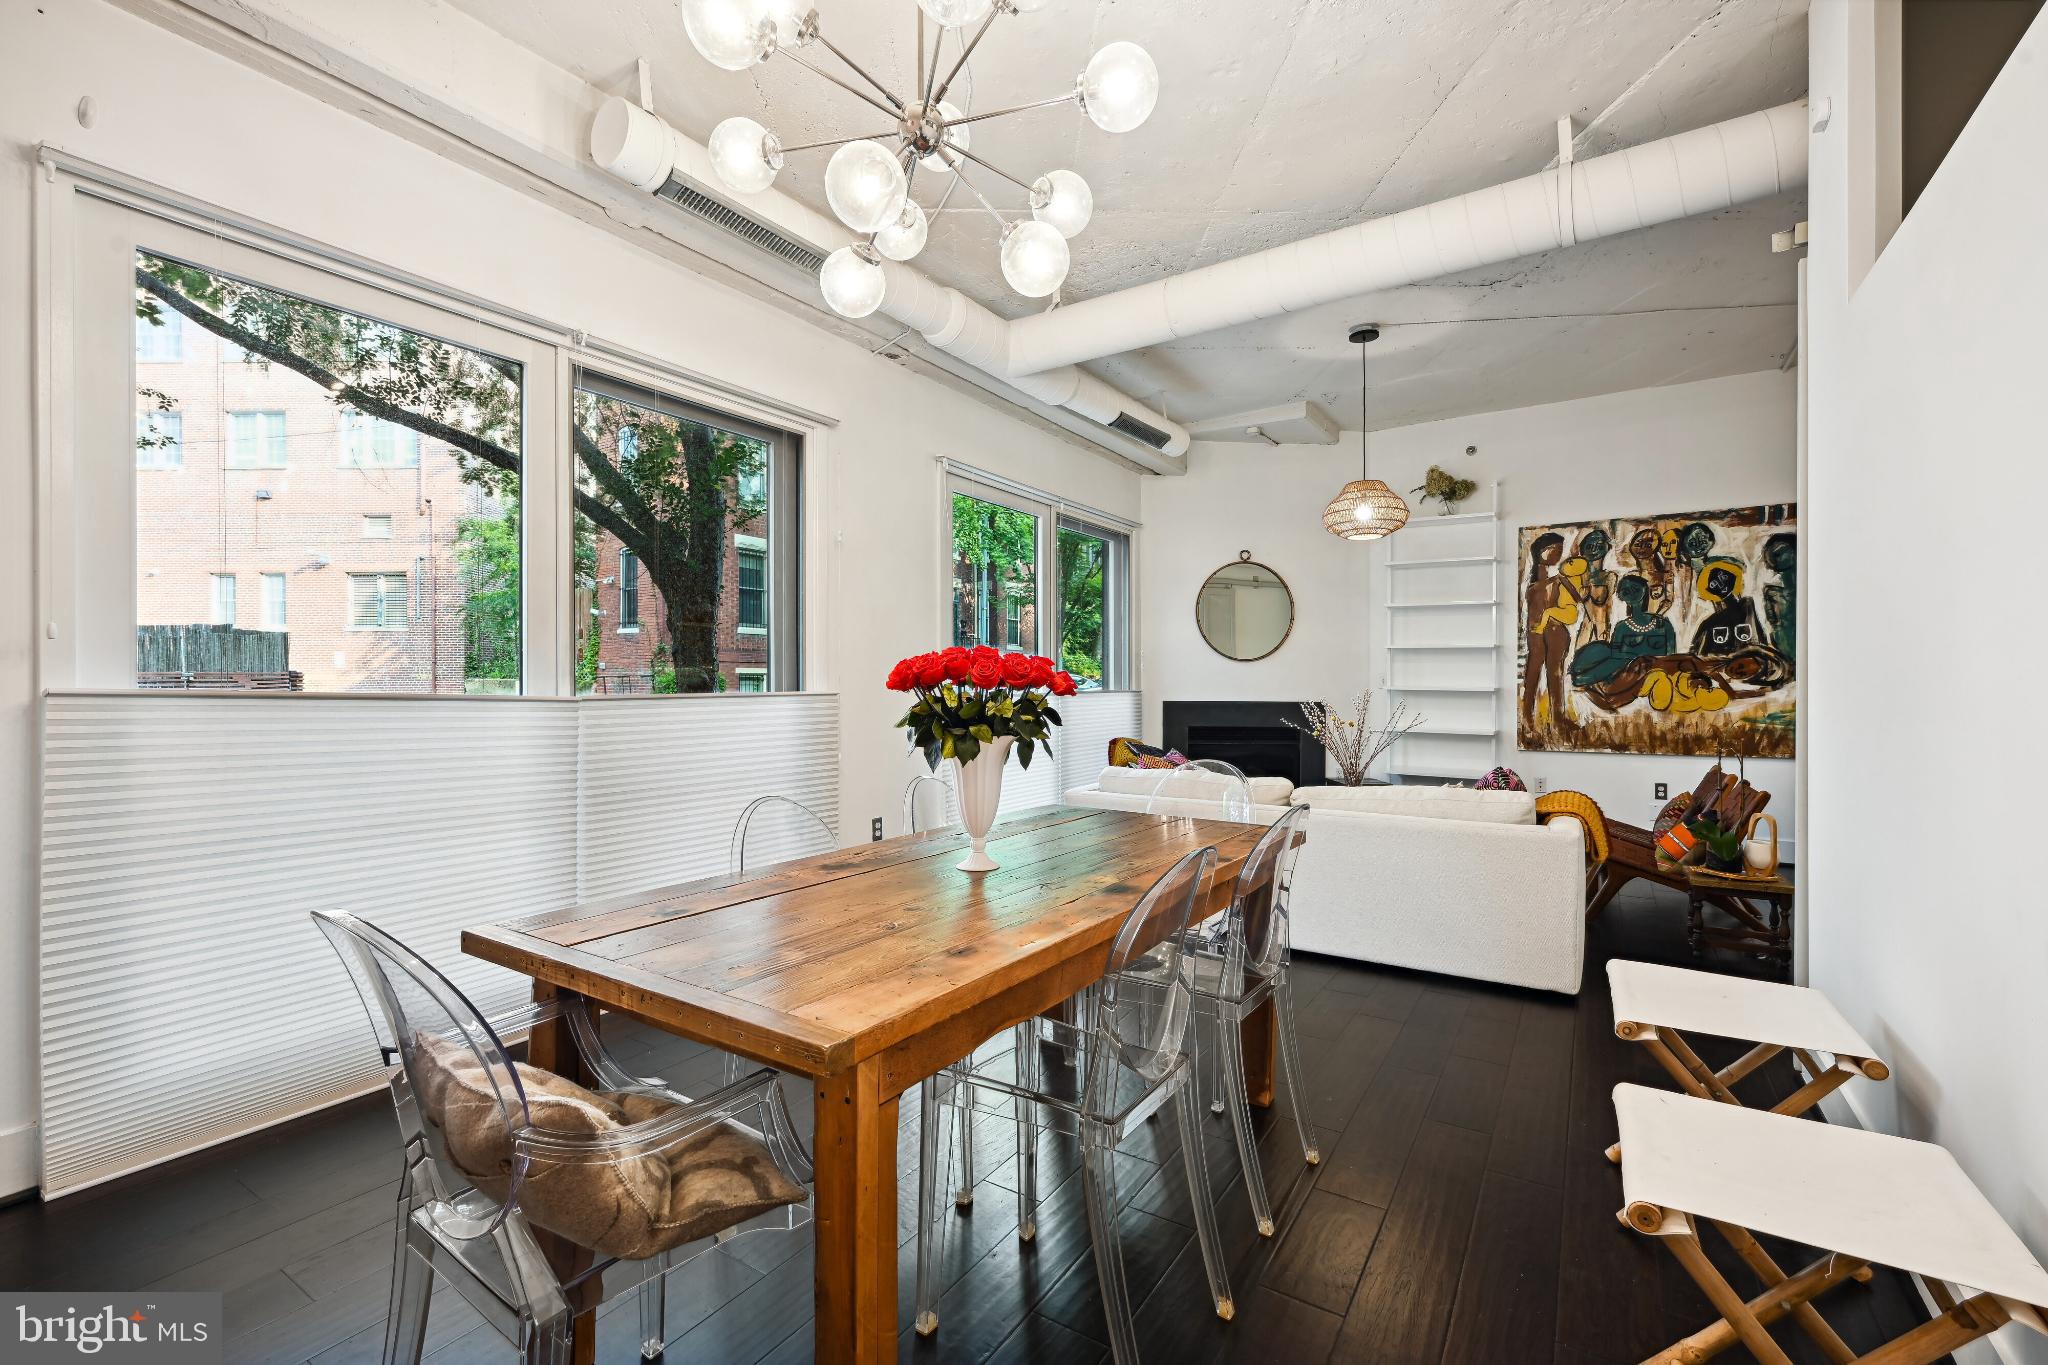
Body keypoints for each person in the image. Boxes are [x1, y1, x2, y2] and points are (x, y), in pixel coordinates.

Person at [1520, 532, 1576, 732]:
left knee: (1555, 674)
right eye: (1554, 549)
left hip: (1556, 632)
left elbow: (1573, 609)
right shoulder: (1535, 583)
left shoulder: (1559, 581)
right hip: (1535, 633)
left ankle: (1558, 719)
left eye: (1560, 550)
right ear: (1541, 551)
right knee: (1533, 673)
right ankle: (1526, 718)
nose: (1558, 554)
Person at [1762, 532, 1796, 661]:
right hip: (1783, 650)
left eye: (1778, 553)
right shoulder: (1772, 592)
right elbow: (1773, 622)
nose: (1771, 560)